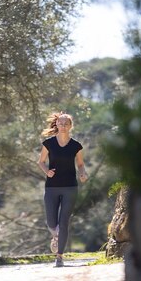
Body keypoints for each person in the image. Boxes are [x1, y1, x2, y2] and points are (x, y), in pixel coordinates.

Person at [37, 112, 88, 267]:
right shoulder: (49, 143)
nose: (63, 126)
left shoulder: (76, 146)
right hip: (52, 187)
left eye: (66, 124)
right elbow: (40, 162)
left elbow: (80, 164)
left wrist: (82, 172)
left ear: (70, 126)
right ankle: (56, 236)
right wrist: (47, 172)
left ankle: (59, 257)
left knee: (63, 222)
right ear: (56, 124)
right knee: (51, 222)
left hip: (70, 187)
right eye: (61, 123)